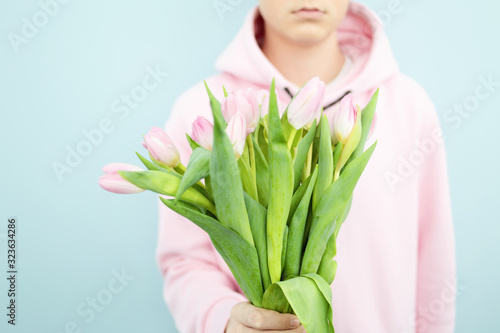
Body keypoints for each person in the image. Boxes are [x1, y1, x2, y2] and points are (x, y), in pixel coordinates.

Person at [156, 1, 456, 332]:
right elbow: (186, 262)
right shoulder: (201, 110)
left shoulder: (408, 105)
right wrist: (225, 321)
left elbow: (433, 258)